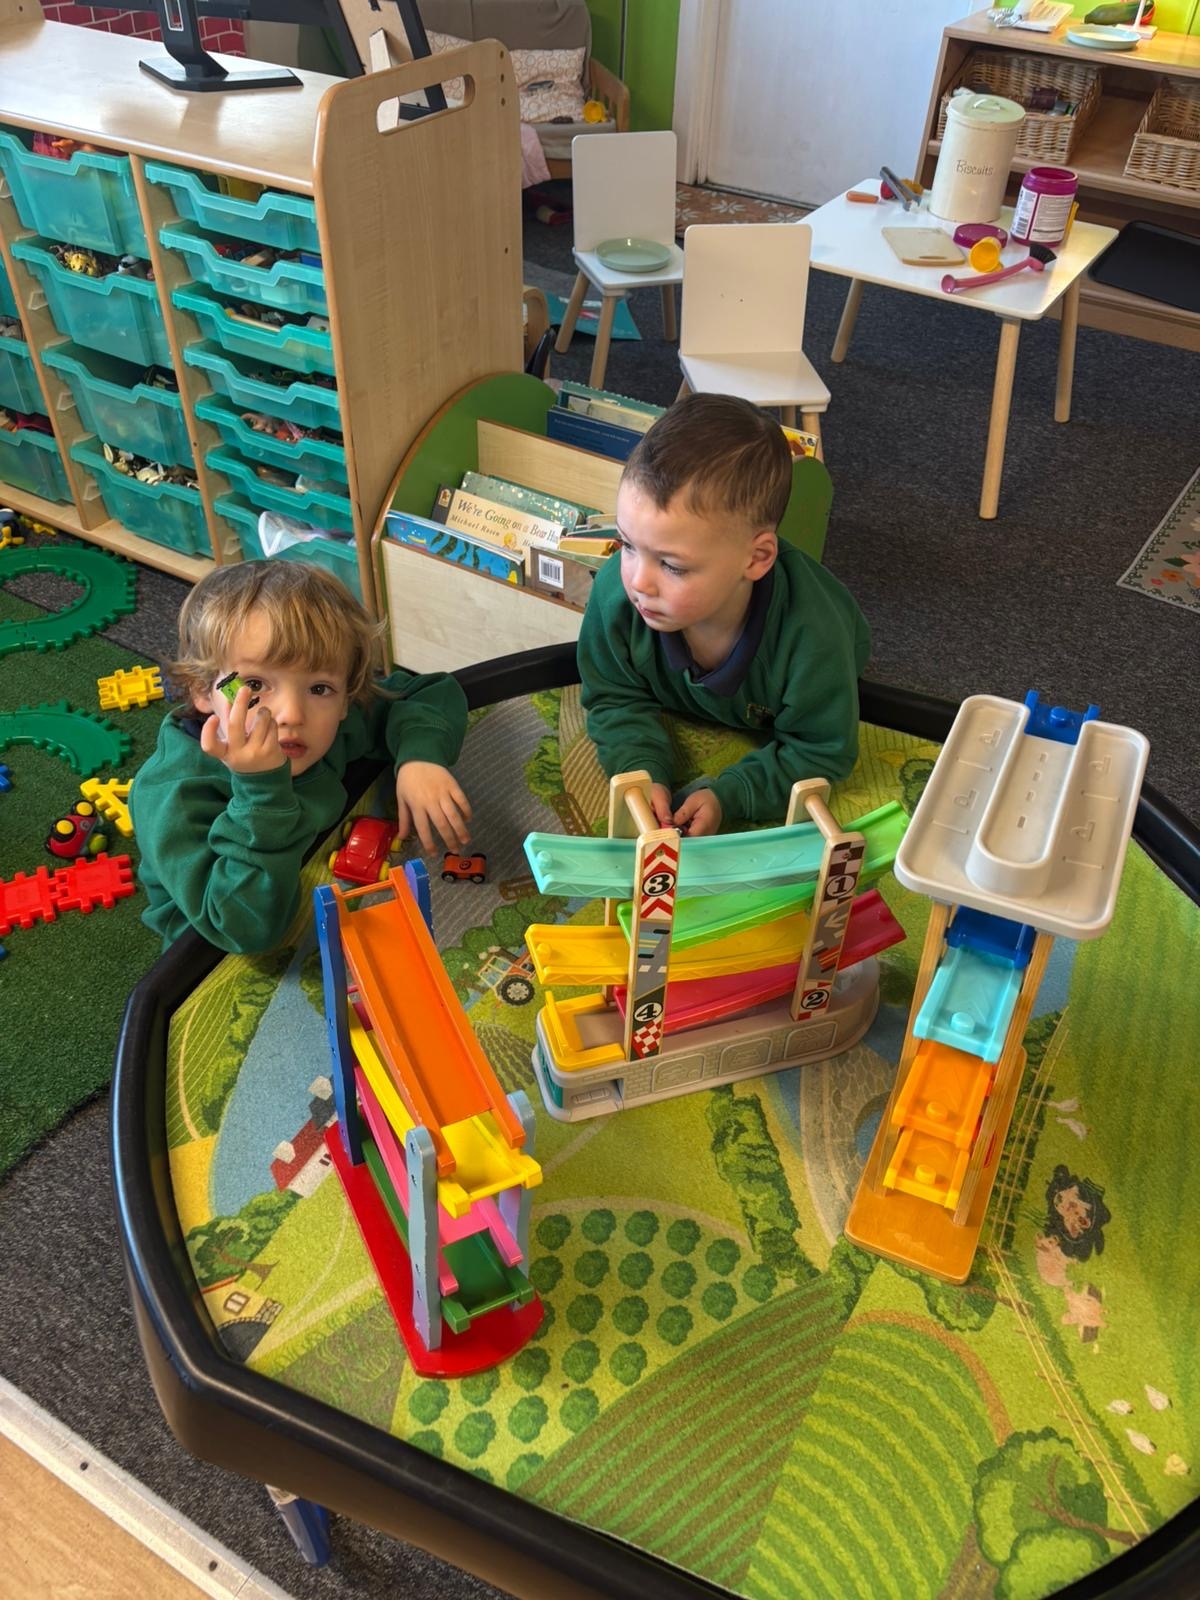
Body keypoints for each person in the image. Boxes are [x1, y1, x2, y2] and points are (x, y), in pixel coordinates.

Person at [131, 560, 471, 953]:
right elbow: (244, 929)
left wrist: (420, 759)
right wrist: (261, 790)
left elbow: (429, 693)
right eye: (255, 684)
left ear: (346, 698)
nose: (291, 715)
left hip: (322, 877)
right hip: (219, 950)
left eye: (320, 688)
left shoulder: (331, 721)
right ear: (203, 690)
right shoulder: (172, 794)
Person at [577, 393, 870, 835]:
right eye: (627, 545)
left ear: (757, 558)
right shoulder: (615, 596)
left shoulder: (815, 636)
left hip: (823, 670)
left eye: (672, 566)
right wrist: (640, 767)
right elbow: (613, 696)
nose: (638, 581)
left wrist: (730, 795)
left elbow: (822, 750)